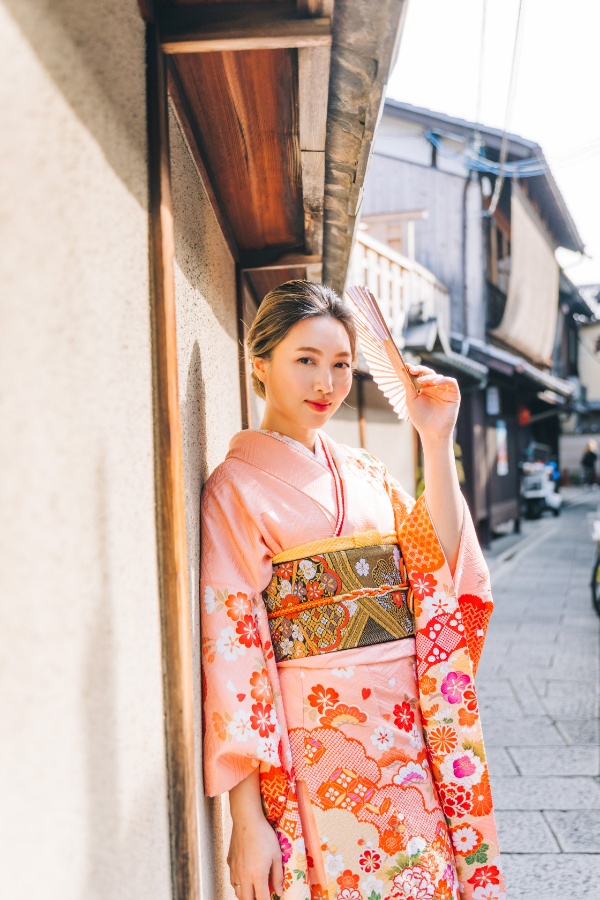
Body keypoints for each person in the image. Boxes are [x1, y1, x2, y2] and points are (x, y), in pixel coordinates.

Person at [200, 281, 504, 900]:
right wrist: (246, 817)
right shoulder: (236, 487)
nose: (327, 384)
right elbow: (234, 649)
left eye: (341, 364)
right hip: (318, 745)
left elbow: (440, 570)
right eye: (305, 360)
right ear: (260, 363)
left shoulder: (365, 473)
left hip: (407, 736)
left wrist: (436, 440)